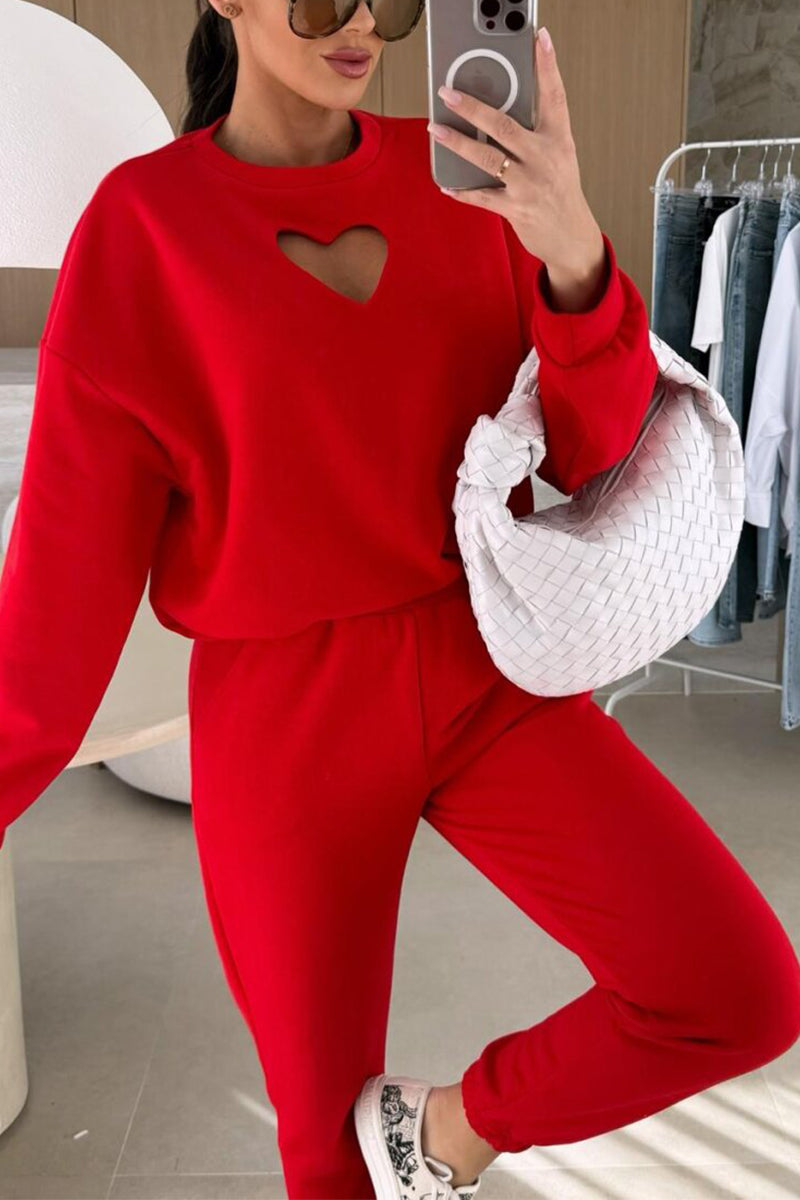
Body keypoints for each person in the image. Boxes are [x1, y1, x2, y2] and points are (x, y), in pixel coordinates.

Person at [1, 2, 799, 1197]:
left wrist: (571, 252)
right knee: (327, 1157)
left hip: (484, 669)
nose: (363, 26)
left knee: (735, 989)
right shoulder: (143, 226)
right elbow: (59, 602)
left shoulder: (466, 177)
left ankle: (445, 1134)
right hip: (285, 719)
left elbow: (588, 453)